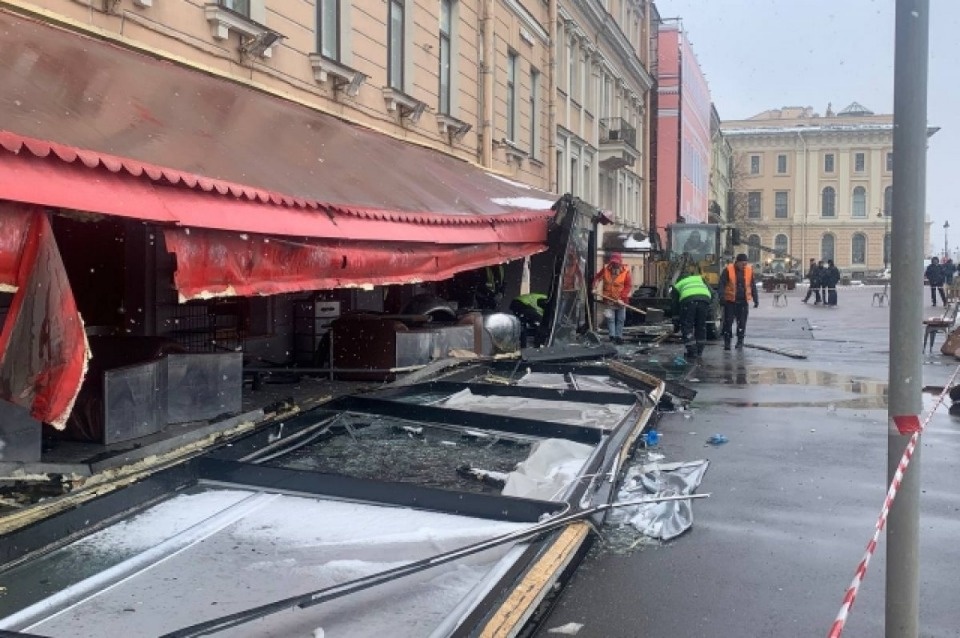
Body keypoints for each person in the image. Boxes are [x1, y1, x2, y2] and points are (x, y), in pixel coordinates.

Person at [670, 267, 714, 360]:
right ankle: (699, 351)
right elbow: (713, 293)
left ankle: (692, 351)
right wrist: (709, 306)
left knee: (687, 326)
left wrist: (676, 321)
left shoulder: (677, 285)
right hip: (704, 300)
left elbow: (675, 305)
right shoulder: (699, 278)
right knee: (701, 326)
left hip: (688, 302)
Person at [718, 253, 758, 350]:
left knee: (742, 323)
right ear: (737, 262)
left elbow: (752, 285)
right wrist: (722, 297)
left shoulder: (749, 270)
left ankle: (740, 342)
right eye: (742, 263)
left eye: (745, 263)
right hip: (730, 301)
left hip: (743, 301)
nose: (744, 265)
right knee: (728, 323)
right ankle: (727, 343)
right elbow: (722, 284)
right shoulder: (728, 270)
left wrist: (756, 299)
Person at [592, 252, 632, 345]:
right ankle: (612, 336)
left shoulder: (626, 272)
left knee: (621, 319)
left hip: (621, 301)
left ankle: (619, 337)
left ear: (620, 263)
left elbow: (627, 286)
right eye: (613, 263)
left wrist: (622, 298)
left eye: (616, 263)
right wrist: (594, 287)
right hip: (608, 300)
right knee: (610, 319)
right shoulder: (606, 269)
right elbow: (597, 278)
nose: (614, 265)